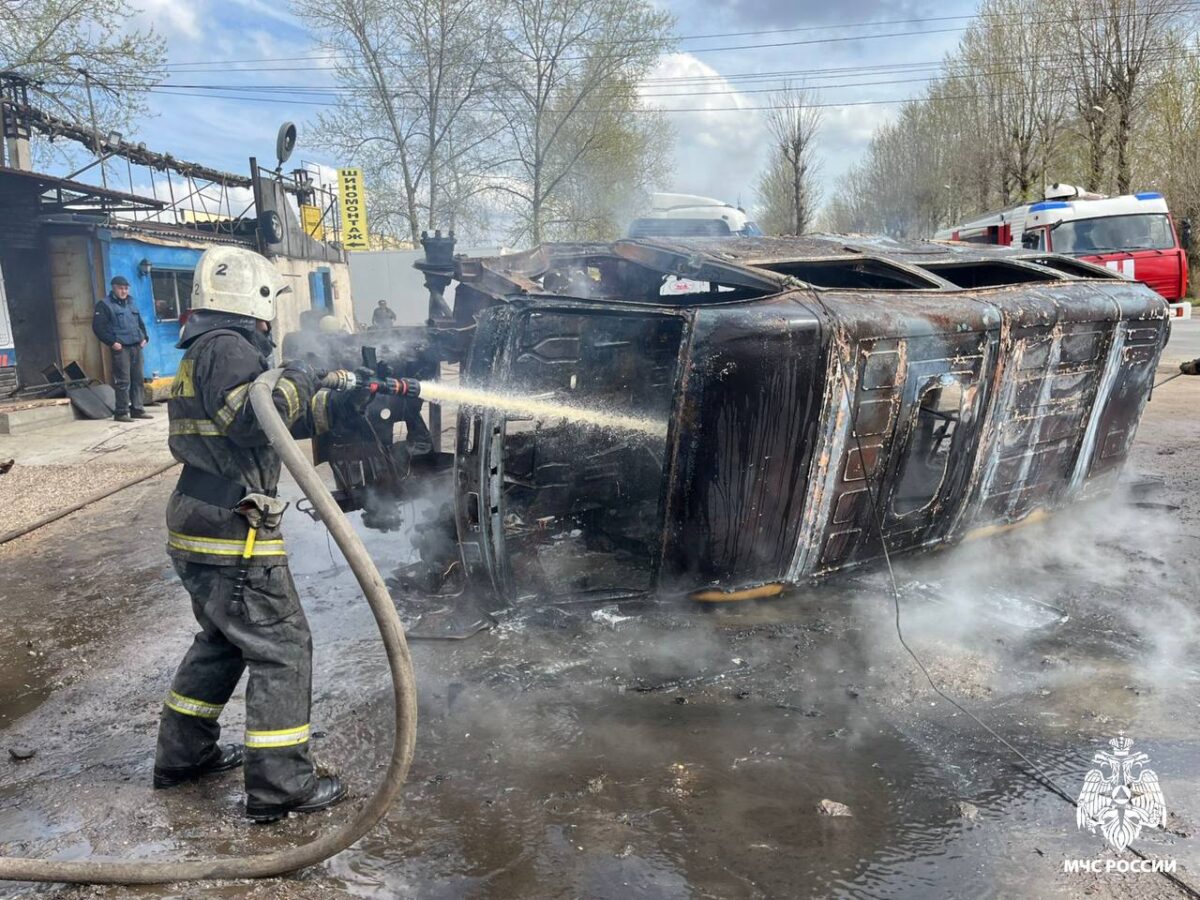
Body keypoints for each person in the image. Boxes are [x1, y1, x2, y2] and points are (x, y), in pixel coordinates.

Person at [153, 246, 362, 822]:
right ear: (257, 299)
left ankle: (184, 753)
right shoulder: (227, 346)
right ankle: (280, 785)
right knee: (282, 647)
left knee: (224, 639)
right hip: (232, 529)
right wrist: (302, 370)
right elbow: (250, 422)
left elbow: (271, 419)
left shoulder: (209, 347)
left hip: (206, 519)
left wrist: (333, 402)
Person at [92, 275, 151, 422]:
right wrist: (112, 342)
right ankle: (121, 412)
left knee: (138, 379)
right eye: (120, 288)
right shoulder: (104, 305)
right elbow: (98, 327)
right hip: (121, 348)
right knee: (123, 381)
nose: (124, 291)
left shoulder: (131, 302)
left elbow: (139, 322)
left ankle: (137, 409)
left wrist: (145, 337)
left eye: (126, 288)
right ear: (113, 288)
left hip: (136, 346)